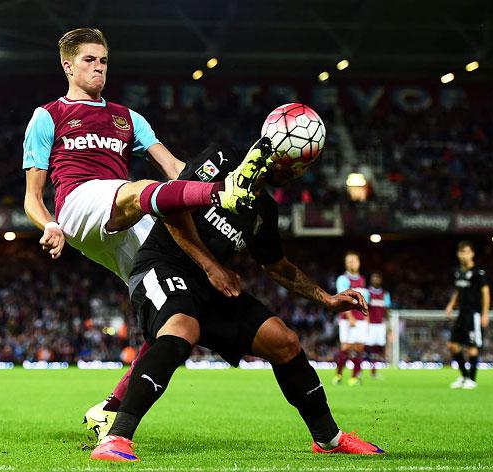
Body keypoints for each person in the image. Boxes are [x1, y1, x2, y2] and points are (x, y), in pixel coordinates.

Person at [87, 144, 384, 461]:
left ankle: (329, 438)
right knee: (180, 330)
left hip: (212, 286)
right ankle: (115, 437)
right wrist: (212, 266)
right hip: (163, 266)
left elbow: (276, 265)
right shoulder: (219, 161)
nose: (300, 173)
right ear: (280, 157)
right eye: (299, 165)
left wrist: (327, 299)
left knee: (283, 341)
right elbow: (171, 209)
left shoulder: (264, 211)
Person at [22, 27, 269, 290]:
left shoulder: (129, 118)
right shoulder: (48, 115)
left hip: (122, 211)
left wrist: (227, 178)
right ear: (68, 67)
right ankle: (222, 192)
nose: (99, 67)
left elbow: (174, 167)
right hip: (78, 206)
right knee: (144, 187)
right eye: (90, 60)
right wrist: (49, 224)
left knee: (177, 284)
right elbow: (32, 197)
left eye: (103, 61)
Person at [445, 241, 490, 390]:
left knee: (472, 347)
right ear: (458, 254)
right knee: (452, 345)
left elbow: (485, 293)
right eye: (461, 252)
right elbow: (458, 290)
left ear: (472, 253)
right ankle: (464, 376)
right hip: (461, 314)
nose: (464, 255)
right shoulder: (459, 272)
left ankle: (472, 379)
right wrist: (451, 304)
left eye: (466, 252)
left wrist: (485, 314)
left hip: (474, 314)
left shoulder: (478, 272)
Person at [333, 251, 369, 386]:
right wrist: (350, 317)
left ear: (358, 262)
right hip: (347, 318)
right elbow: (342, 299)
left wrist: (367, 317)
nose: (351, 263)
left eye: (353, 260)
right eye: (349, 261)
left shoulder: (362, 280)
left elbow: (364, 300)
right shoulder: (343, 279)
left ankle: (355, 376)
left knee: (360, 347)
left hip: (361, 318)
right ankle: (339, 374)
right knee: (346, 346)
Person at [365, 272, 391, 378]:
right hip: (370, 324)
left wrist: (389, 327)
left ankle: (373, 371)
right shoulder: (367, 292)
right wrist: (365, 322)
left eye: (377, 278)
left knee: (377, 349)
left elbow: (387, 311)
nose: (375, 280)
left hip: (380, 325)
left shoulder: (385, 294)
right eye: (373, 278)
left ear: (380, 280)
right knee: (366, 347)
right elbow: (365, 308)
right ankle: (359, 369)